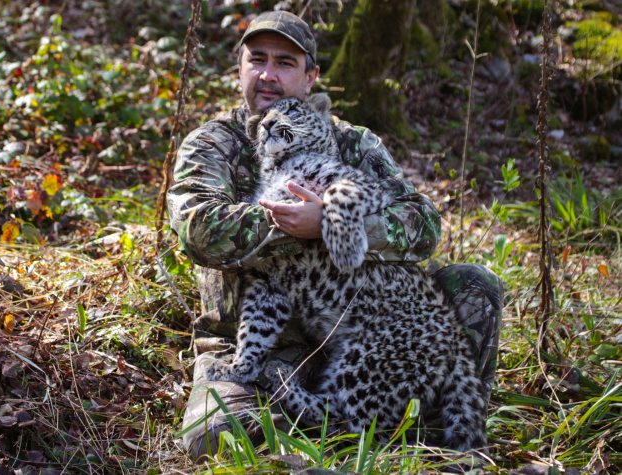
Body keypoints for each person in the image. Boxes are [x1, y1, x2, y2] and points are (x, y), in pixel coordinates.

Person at [167, 10, 503, 462]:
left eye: (285, 63)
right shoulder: (214, 143)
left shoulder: (353, 142)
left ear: (310, 79)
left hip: (368, 337)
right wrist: (289, 223)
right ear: (239, 68)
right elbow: (199, 230)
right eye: (257, 59)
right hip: (259, 346)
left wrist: (331, 220)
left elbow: (423, 224)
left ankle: (432, 437)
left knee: (474, 285)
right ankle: (343, 431)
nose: (268, 74)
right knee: (219, 437)